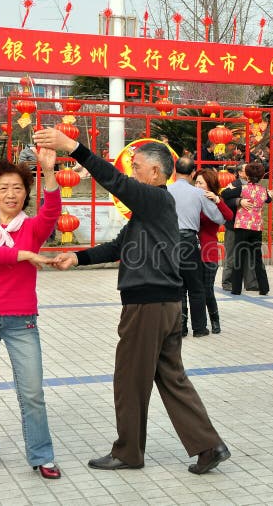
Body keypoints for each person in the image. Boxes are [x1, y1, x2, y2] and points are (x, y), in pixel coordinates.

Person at [35, 128, 231, 475]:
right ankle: (208, 446)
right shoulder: (148, 212)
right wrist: (77, 258)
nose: (132, 172)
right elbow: (117, 246)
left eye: (137, 166)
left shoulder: (156, 199)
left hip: (148, 306)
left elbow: (115, 182)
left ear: (155, 172)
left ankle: (128, 452)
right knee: (172, 378)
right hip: (164, 305)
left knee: (129, 379)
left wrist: (75, 148)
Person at [0, 148, 62, 479]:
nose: (11, 194)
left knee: (32, 392)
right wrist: (24, 255)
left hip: (22, 323)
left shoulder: (33, 228)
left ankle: (41, 455)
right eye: (4, 188)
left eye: (17, 188)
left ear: (25, 193)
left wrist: (48, 171)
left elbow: (52, 212)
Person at [170, 156, 225, 337]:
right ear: (193, 173)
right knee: (196, 287)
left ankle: (180, 328)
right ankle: (199, 328)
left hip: (169, 242)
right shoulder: (198, 194)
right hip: (189, 241)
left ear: (174, 172)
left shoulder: (166, 191)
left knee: (178, 287)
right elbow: (218, 218)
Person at [194, 168, 233, 334]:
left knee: (207, 289)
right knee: (195, 290)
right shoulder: (192, 200)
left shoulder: (215, 201)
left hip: (209, 252)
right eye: (195, 182)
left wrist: (217, 200)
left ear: (209, 185)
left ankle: (215, 320)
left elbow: (229, 216)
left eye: (200, 183)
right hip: (190, 252)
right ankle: (198, 323)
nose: (197, 185)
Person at [221, 162, 267, 292]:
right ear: (240, 173)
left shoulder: (256, 187)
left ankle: (251, 283)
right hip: (233, 225)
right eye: (245, 170)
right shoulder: (235, 185)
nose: (247, 172)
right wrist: (239, 201)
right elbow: (225, 199)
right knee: (232, 255)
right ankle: (228, 282)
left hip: (247, 226)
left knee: (250, 256)